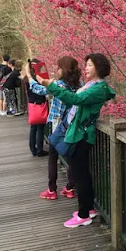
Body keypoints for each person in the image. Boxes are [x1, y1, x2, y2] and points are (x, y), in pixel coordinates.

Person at [38, 53, 115, 228]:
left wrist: (51, 86)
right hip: (80, 133)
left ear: (98, 68)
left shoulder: (97, 89)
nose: (85, 68)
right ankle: (89, 209)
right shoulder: (92, 86)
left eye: (89, 65)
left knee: (81, 176)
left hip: (82, 136)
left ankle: (83, 215)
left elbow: (75, 99)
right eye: (86, 65)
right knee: (83, 174)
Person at [25, 56, 82, 197]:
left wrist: (29, 75)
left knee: (52, 156)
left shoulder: (59, 85)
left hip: (57, 125)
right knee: (70, 157)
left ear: (64, 69)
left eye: (59, 68)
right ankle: (70, 187)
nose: (57, 70)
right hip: (72, 125)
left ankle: (52, 190)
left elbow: (39, 89)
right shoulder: (79, 84)